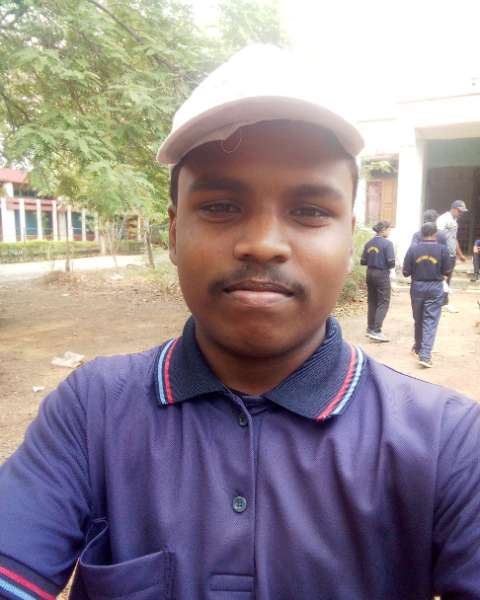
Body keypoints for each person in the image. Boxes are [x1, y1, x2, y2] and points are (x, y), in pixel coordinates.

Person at [1, 44, 480, 600]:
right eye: (221, 207)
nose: (263, 243)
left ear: (349, 239)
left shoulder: (450, 442)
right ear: (174, 233)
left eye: (309, 211)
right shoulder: (91, 413)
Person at [403, 221, 451, 368]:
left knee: (418, 318)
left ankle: (418, 347)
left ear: (421, 233)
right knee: (430, 320)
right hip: (435, 287)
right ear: (435, 233)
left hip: (417, 287)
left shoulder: (413, 249)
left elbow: (405, 272)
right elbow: (447, 271)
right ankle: (425, 355)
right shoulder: (443, 249)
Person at [360, 220, 395, 342]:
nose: (389, 232)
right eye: (389, 229)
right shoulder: (387, 244)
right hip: (382, 274)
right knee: (383, 302)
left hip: (370, 273)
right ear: (383, 230)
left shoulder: (368, 243)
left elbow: (363, 261)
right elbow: (391, 262)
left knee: (372, 301)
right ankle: (376, 330)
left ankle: (370, 328)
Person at [436, 199, 468, 312]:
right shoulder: (443, 219)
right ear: (454, 209)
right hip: (444, 254)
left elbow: (454, 239)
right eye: (459, 211)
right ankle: (441, 303)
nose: (461, 213)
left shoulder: (455, 221)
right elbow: (437, 236)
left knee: (447, 279)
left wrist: (460, 254)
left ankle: (443, 303)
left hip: (451, 255)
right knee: (442, 278)